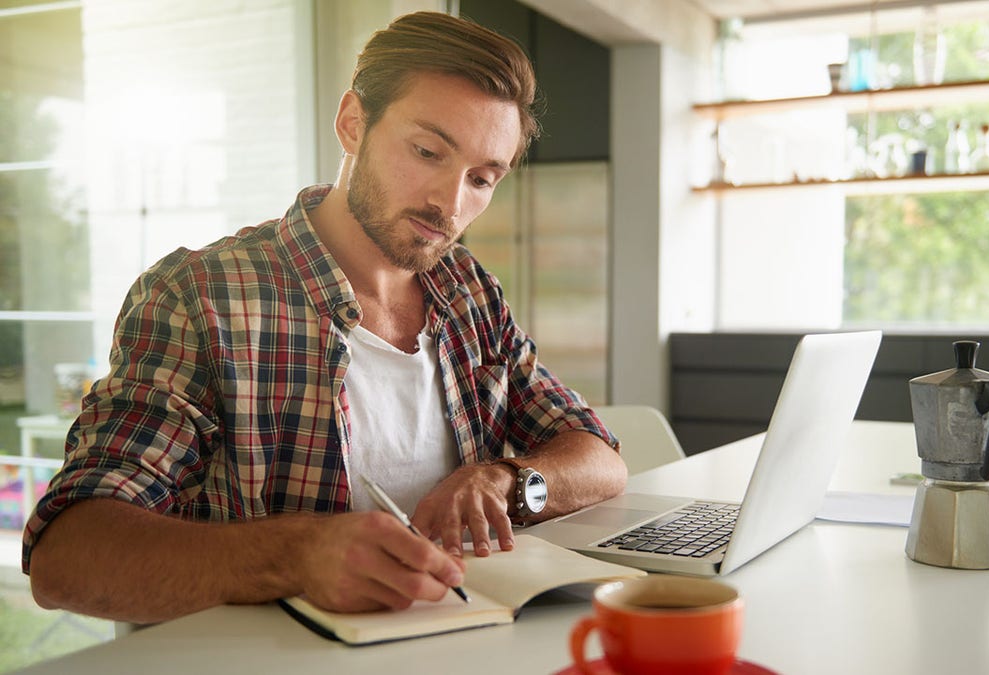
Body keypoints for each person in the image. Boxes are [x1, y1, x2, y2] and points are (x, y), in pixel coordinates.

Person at [23, 11, 626, 624]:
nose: (450, 203)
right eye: (426, 151)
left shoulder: (469, 292)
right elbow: (66, 557)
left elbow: (599, 457)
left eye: (481, 178)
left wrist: (506, 480)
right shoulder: (201, 295)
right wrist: (298, 555)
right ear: (352, 123)